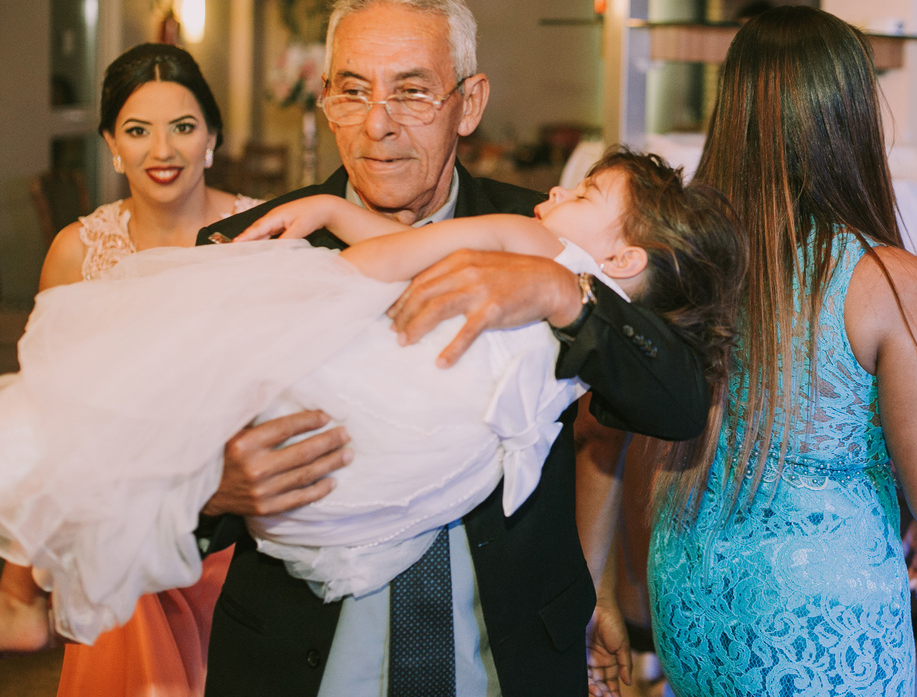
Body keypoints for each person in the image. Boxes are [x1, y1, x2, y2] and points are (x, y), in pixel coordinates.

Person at [0, 149, 744, 657]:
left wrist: (311, 291)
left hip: (376, 396)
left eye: (581, 195)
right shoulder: (581, 300)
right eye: (354, 89)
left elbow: (397, 256)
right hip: (413, 474)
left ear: (468, 101)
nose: (554, 194)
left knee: (149, 384)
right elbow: (424, 245)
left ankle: (27, 575)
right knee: (180, 425)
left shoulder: (535, 243)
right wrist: (331, 205)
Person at [186, 0, 706, 697]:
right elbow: (134, 461)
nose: (378, 123)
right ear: (326, 101)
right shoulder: (254, 245)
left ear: (470, 103)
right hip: (302, 659)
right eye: (353, 90)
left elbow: (676, 400)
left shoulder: (546, 234)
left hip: (508, 659)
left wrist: (567, 296)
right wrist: (209, 487)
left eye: (411, 91)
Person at [643, 5, 917, 697]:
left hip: (690, 599)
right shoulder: (884, 279)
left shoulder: (689, 256)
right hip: (814, 627)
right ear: (850, 115)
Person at [22, 42, 259, 697]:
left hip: (239, 531)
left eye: (183, 127)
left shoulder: (262, 236)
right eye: (137, 130)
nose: (162, 150)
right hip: (122, 532)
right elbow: (49, 412)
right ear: (111, 144)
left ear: (211, 139)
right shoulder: (76, 253)